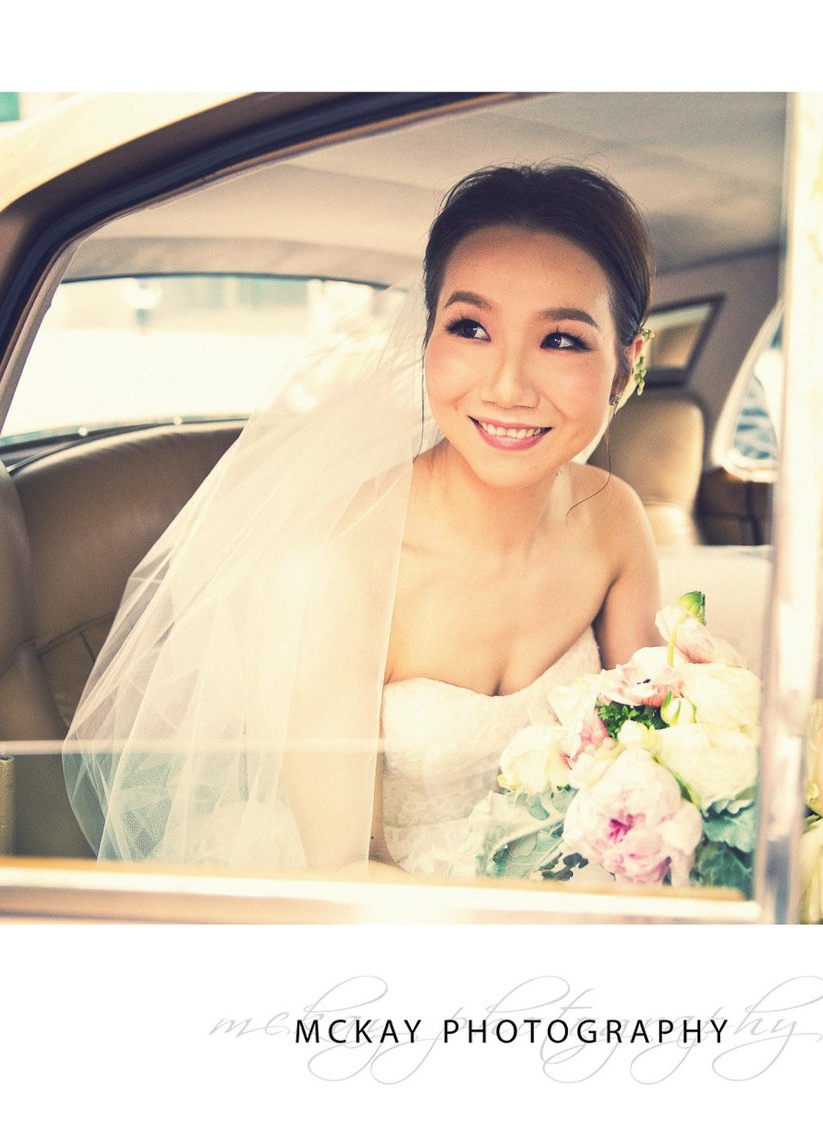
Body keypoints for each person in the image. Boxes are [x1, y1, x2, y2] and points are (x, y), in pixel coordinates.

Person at [64, 163, 661, 877]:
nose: (506, 387)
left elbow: (653, 758)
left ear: (627, 364)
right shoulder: (337, 564)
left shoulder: (613, 519)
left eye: (561, 339)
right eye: (470, 328)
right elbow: (346, 867)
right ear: (426, 340)